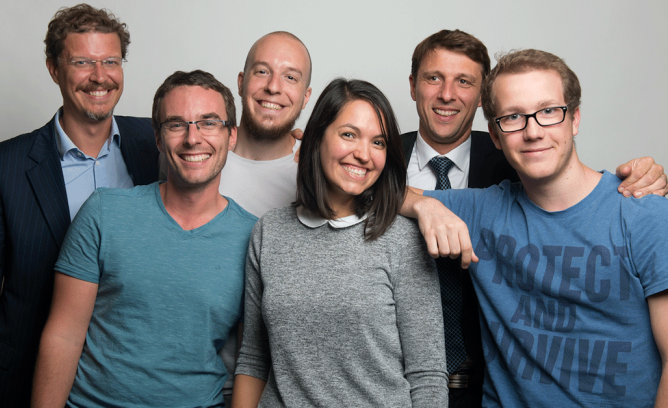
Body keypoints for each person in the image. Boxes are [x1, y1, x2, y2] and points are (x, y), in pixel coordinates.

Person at [404, 49, 668, 407]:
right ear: (496, 136)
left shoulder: (647, 217)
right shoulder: (483, 209)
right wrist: (423, 204)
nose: (533, 132)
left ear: (574, 119)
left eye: (548, 111)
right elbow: (370, 193)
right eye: (513, 117)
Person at [0, 4, 158, 407]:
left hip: (132, 382)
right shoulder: (1, 169)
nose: (100, 76)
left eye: (111, 61)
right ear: (54, 69)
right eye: (82, 62)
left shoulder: (157, 144)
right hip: (29, 381)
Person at [31, 70, 257, 407]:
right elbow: (64, 335)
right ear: (158, 138)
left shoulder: (253, 238)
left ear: (232, 135)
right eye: (176, 124)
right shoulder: (104, 211)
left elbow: (252, 360)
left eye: (209, 123)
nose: (193, 138)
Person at [232, 78, 447, 407]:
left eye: (378, 142)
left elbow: (427, 375)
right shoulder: (269, 232)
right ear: (317, 138)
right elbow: (253, 359)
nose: (363, 154)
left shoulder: (403, 239)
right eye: (349, 135)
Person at [218, 31, 312, 217]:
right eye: (262, 71)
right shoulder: (198, 151)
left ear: (305, 97)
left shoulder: (316, 168)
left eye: (290, 77)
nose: (273, 87)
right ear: (241, 83)